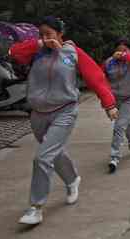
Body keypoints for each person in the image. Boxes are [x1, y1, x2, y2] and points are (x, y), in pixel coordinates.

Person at [9, 17, 118, 226]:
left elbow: (95, 77)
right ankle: (72, 179)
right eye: (41, 34)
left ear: (60, 34)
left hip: (64, 111)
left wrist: (109, 104)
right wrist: (38, 44)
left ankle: (35, 207)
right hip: (38, 113)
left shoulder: (72, 53)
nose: (45, 38)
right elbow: (14, 53)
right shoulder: (37, 51)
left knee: (42, 157)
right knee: (53, 151)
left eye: (49, 34)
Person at [102, 38, 130, 173]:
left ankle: (114, 157)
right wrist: (106, 100)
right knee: (122, 124)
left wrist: (126, 55)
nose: (121, 52)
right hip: (114, 100)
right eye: (119, 50)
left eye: (124, 50)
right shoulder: (109, 62)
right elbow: (100, 78)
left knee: (119, 126)